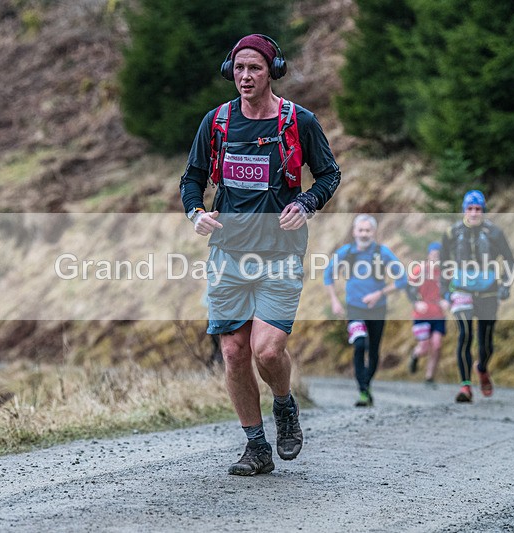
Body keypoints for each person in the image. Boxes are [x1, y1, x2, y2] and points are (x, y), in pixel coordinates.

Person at [180, 34, 340, 476]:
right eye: (239, 68)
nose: (245, 76)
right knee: (233, 352)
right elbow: (192, 178)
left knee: (267, 351)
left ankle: (284, 406)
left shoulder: (298, 121)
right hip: (228, 255)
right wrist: (195, 212)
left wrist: (306, 203)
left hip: (280, 254)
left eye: (255, 68)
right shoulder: (216, 122)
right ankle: (256, 446)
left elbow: (329, 175)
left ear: (272, 70)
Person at [324, 214, 408, 407]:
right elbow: (328, 274)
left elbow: (402, 279)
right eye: (360, 230)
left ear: (373, 232)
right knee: (360, 344)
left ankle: (367, 386)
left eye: (367, 230)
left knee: (374, 350)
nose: (364, 234)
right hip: (354, 308)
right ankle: (362, 390)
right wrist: (335, 301)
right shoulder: (347, 252)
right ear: (354, 232)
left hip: (377, 308)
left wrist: (380, 293)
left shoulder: (382, 252)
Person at [440, 190, 514, 403]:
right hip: (461, 290)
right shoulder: (451, 233)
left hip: (488, 291)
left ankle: (481, 368)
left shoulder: (495, 233)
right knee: (464, 335)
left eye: (478, 209)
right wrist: (444, 290)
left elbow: (509, 260)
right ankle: (465, 386)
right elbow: (443, 262)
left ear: (483, 211)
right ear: (464, 210)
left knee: (486, 343)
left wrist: (505, 286)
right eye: (470, 209)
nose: (474, 213)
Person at [407, 241, 449, 383]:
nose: (436, 258)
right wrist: (416, 302)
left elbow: (450, 290)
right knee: (424, 347)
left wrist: (446, 300)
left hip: (438, 313)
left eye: (439, 255)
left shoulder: (445, 273)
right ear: (429, 255)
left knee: (437, 345)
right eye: (434, 255)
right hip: (422, 314)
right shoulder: (420, 270)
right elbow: (410, 289)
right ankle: (415, 356)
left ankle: (429, 376)